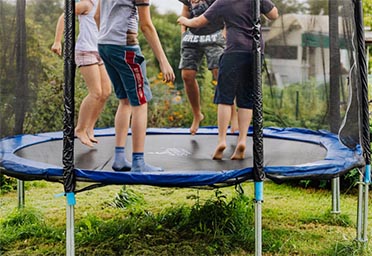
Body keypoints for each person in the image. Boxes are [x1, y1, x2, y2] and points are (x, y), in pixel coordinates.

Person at [178, 0, 279, 160]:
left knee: (224, 98)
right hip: (255, 52)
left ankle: (222, 140)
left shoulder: (223, 1)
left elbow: (199, 21)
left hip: (234, 51)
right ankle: (242, 140)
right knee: (246, 98)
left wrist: (184, 21)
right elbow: (274, 15)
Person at [95, 0, 175, 172]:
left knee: (124, 100)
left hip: (104, 44)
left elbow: (97, 16)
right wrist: (164, 61)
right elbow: (146, 26)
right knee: (140, 102)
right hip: (125, 47)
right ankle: (138, 162)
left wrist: (108, 35)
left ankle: (119, 158)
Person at [51, 0, 111, 148]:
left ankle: (90, 127)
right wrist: (58, 41)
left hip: (100, 51)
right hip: (86, 51)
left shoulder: (104, 4)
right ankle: (80, 129)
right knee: (95, 92)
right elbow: (64, 16)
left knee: (106, 92)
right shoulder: (86, 4)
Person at [178, 0, 238, 135]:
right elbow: (186, 11)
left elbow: (227, 11)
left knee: (219, 73)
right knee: (187, 76)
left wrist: (224, 33)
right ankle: (197, 114)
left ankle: (234, 114)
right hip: (192, 37)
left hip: (214, 34)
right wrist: (183, 33)